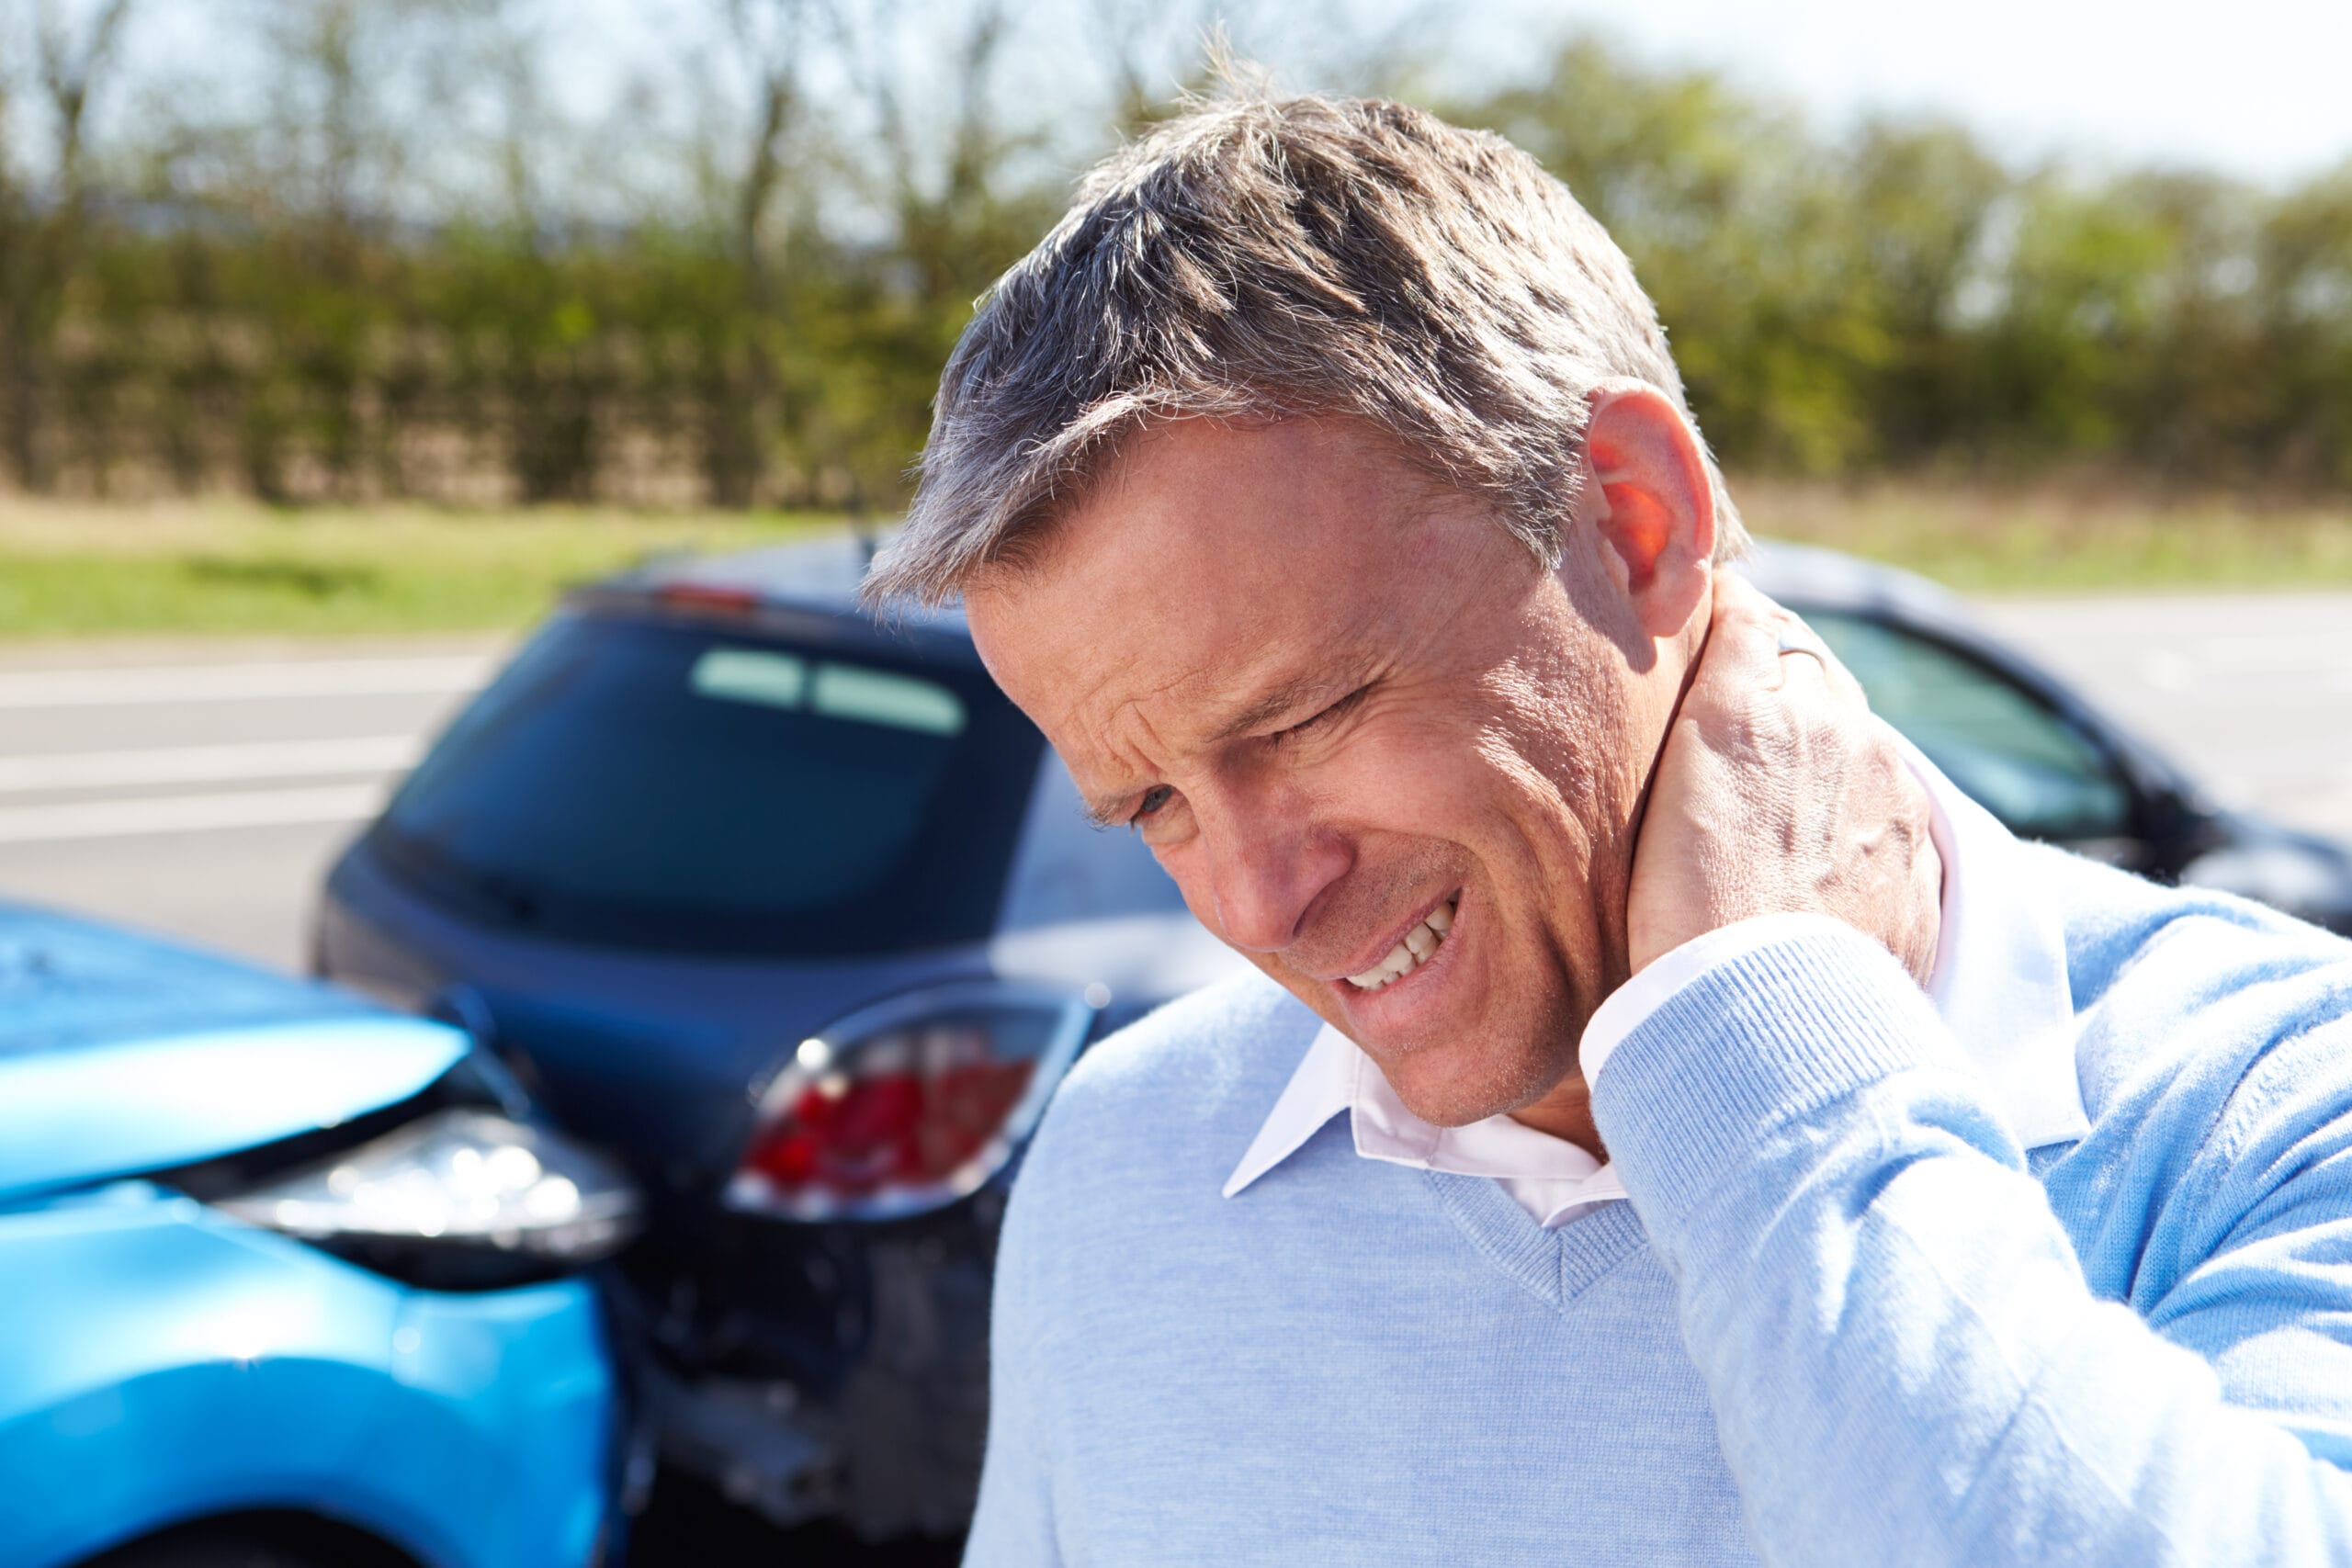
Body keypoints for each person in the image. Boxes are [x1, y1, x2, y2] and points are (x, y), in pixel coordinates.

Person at [860, 78, 2352, 1567]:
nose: (1257, 907)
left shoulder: (2279, 1114)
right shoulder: (1129, 1154)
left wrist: (1771, 1052)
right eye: (1158, 805)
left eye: (1302, 718)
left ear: (1634, 520)